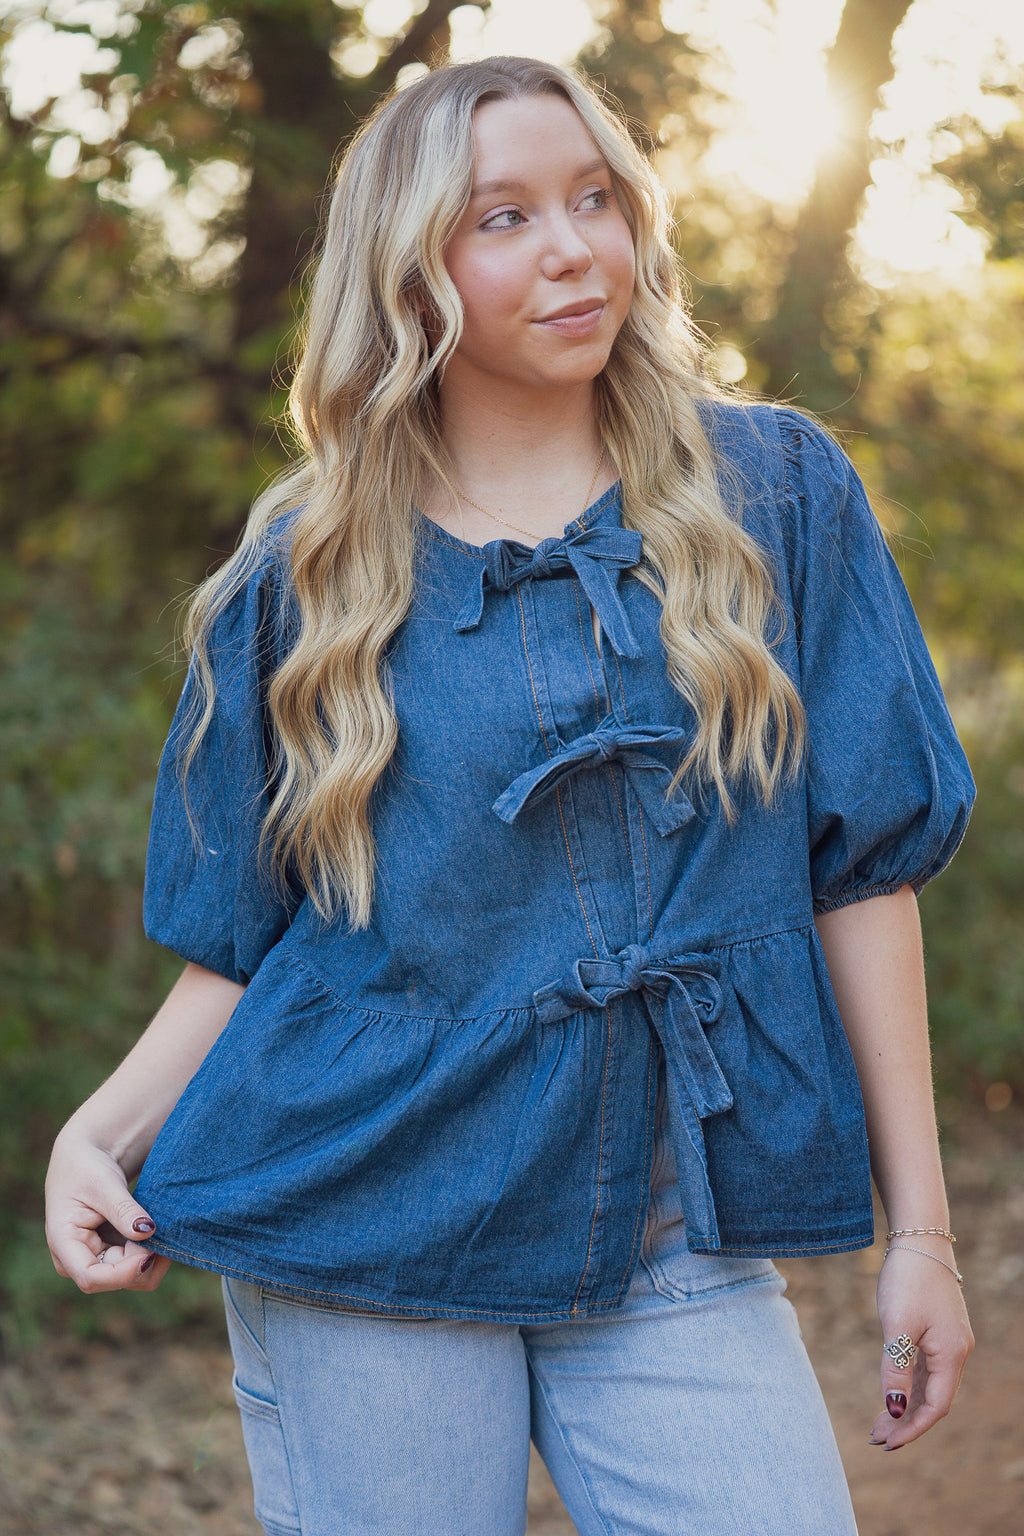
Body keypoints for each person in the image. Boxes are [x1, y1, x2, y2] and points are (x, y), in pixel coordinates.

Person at [45, 55, 975, 1536]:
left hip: (671, 1232)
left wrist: (918, 1231)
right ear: (411, 273)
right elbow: (251, 937)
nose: (571, 248)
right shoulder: (306, 570)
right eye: (504, 217)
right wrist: (102, 1129)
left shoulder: (777, 495)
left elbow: (863, 870)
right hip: (368, 1226)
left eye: (594, 198)